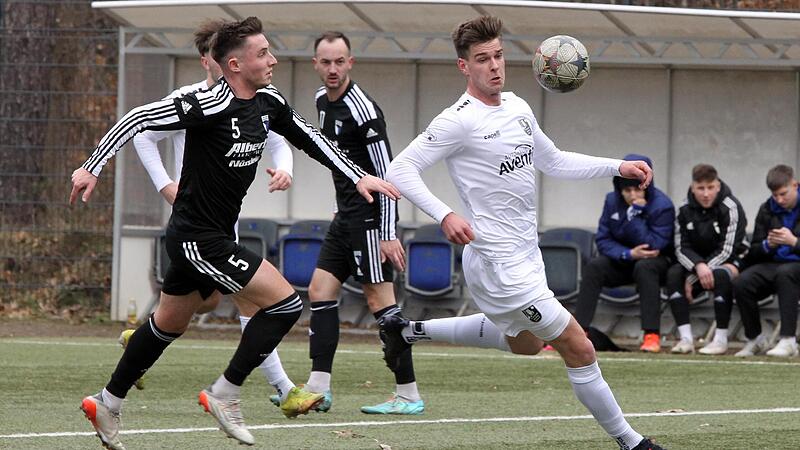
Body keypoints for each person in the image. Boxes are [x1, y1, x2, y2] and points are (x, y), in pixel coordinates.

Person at [71, 17, 400, 449]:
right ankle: (225, 393)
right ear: (234, 64)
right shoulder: (203, 104)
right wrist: (92, 166)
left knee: (166, 324)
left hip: (213, 236)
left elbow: (309, 137)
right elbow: (136, 120)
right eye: (262, 53)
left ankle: (107, 402)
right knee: (284, 304)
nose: (273, 60)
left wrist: (358, 176)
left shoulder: (267, 101)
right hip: (196, 238)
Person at [384, 16, 663, 450]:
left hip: (524, 255)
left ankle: (407, 332)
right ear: (464, 67)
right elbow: (400, 167)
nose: (494, 66)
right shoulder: (457, 120)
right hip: (496, 262)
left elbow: (552, 161)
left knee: (527, 345)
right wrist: (444, 215)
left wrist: (617, 166)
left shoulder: (516, 105)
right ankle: (633, 443)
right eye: (482, 59)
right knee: (579, 347)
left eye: (498, 56)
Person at [123, 19, 308, 416]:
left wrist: (285, 168)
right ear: (210, 60)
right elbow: (141, 132)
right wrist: (164, 185)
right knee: (262, 302)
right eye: (210, 54)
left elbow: (281, 136)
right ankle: (280, 388)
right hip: (196, 228)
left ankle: (139, 346)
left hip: (225, 224)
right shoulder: (191, 100)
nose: (216, 62)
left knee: (193, 310)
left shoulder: (255, 99)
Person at [275, 31, 423, 415]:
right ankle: (318, 388)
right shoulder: (321, 101)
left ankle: (408, 394)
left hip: (371, 222)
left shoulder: (364, 111)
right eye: (326, 62)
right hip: (345, 218)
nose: (333, 69)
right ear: (316, 65)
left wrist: (388, 233)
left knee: (380, 302)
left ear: (351, 63)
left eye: (339, 61)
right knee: (320, 290)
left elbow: (387, 174)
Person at [574, 154, 675, 353]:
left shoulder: (663, 205)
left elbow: (655, 244)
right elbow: (603, 239)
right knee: (595, 267)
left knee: (646, 267)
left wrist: (635, 215)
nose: (631, 194)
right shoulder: (612, 200)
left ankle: (651, 336)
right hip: (625, 259)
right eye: (626, 190)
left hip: (655, 262)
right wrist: (628, 253)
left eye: (636, 188)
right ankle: (579, 332)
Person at [666, 164, 748, 355]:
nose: (705, 194)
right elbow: (681, 247)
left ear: (718, 185)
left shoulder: (731, 206)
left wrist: (697, 274)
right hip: (697, 263)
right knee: (673, 273)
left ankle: (720, 340)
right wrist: (698, 266)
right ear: (693, 187)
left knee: (720, 274)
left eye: (710, 188)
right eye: (700, 188)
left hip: (733, 259)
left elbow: (729, 249)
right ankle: (685, 339)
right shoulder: (684, 208)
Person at [734, 164, 800, 357]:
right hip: (773, 264)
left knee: (786, 273)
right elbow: (753, 251)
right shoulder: (767, 209)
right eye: (775, 195)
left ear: (795, 185)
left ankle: (788, 340)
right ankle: (756, 339)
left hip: (794, 268)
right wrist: (767, 245)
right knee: (742, 282)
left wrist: (794, 242)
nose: (779, 200)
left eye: (783, 194)